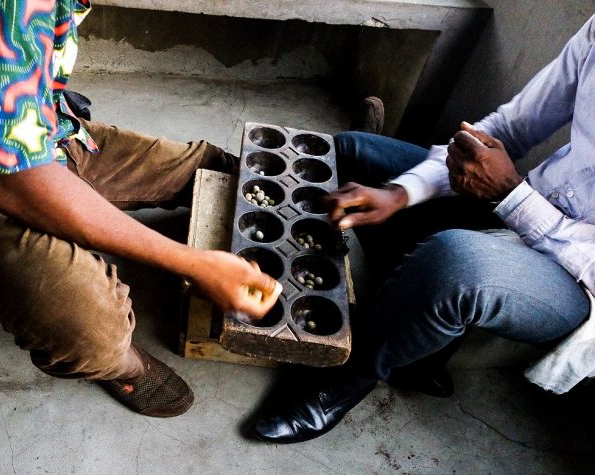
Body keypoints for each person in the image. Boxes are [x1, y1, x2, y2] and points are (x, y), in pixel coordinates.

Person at [0, 0, 281, 418]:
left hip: (40, 132)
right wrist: (194, 264)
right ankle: (121, 363)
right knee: (88, 332)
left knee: (214, 171)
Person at [253, 15, 595, 443]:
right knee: (350, 151)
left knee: (454, 261)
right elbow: (510, 127)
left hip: (579, 284)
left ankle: (343, 379)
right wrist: (400, 193)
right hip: (523, 205)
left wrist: (511, 195)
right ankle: (420, 346)